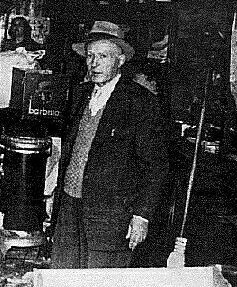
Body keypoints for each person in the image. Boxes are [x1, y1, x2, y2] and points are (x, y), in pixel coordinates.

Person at [51, 20, 169, 269]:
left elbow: (155, 166)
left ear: (121, 60)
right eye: (90, 56)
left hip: (110, 215)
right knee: (64, 273)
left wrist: (141, 215)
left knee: (101, 277)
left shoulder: (140, 102)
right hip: (70, 206)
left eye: (103, 56)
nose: (93, 64)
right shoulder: (81, 94)